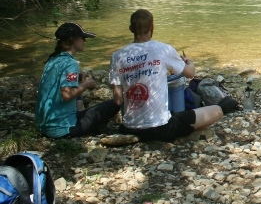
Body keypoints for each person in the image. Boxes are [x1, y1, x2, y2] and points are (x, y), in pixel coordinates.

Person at [110, 10, 223, 142]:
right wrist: (189, 62)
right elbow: (190, 74)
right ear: (152, 27)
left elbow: (118, 100)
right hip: (160, 128)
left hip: (129, 127)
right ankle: (183, 133)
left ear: (130, 29)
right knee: (217, 110)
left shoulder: (117, 56)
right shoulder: (163, 49)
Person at [35, 23, 120, 138]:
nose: (85, 41)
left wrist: (78, 76)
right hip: (63, 130)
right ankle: (82, 120)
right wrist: (86, 84)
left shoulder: (52, 60)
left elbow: (59, 79)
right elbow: (67, 95)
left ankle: (79, 113)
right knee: (115, 103)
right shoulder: (71, 63)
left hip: (43, 126)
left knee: (76, 90)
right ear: (72, 40)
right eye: (82, 38)